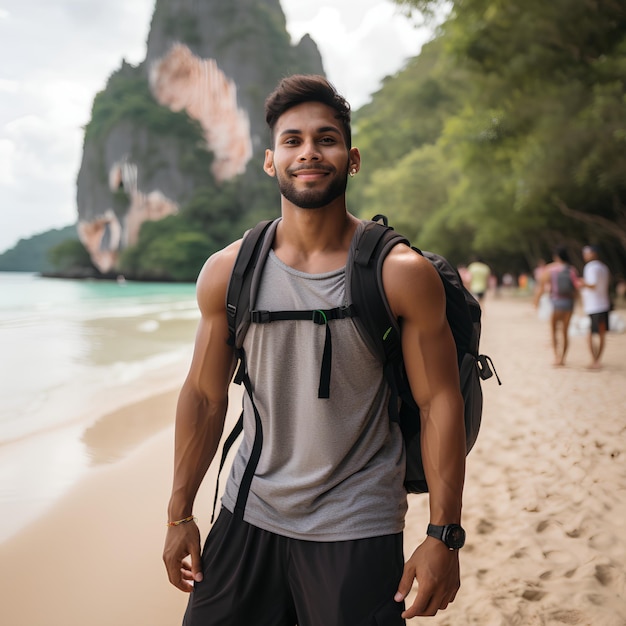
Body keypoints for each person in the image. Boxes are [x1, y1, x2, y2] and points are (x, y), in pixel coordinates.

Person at [162, 75, 466, 625]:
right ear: (270, 161)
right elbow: (206, 398)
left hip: (356, 525)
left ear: (351, 159)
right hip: (247, 512)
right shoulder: (228, 272)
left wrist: (443, 535)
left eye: (325, 139)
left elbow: (439, 400)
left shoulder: (400, 275)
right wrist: (179, 513)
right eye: (292, 140)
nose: (309, 152)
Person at [534, 246, 579, 366]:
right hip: (569, 303)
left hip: (556, 303)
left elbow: (542, 286)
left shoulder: (551, 270)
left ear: (556, 257)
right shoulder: (572, 270)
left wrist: (536, 301)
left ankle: (556, 357)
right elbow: (576, 288)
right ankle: (563, 358)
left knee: (554, 331)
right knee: (565, 331)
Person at [580, 245, 611, 369]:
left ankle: (595, 360)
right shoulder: (604, 267)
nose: (584, 255)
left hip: (594, 306)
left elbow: (592, 285)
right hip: (604, 304)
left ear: (593, 253)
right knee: (602, 334)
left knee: (590, 334)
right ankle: (598, 359)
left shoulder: (591, 267)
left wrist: (582, 282)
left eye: (586, 253)